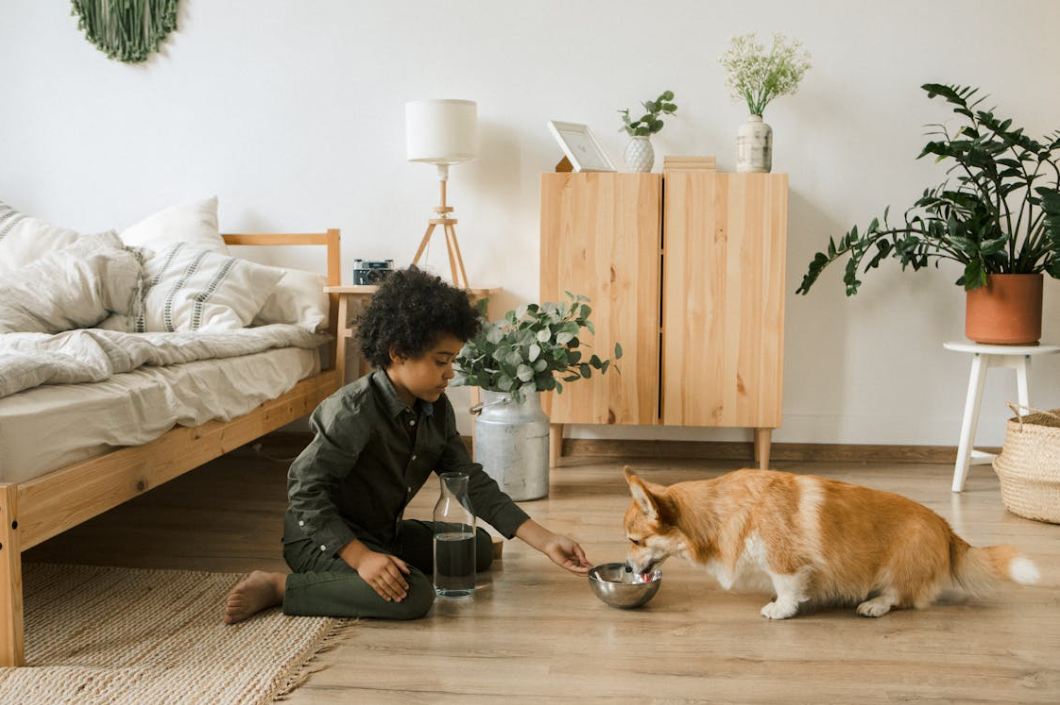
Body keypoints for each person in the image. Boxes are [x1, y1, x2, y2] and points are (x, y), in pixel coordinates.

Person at [224, 267, 591, 623]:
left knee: (475, 545)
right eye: (441, 361)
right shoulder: (353, 410)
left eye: (453, 361)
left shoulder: (435, 407)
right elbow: (304, 490)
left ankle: (383, 562)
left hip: (384, 532)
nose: (450, 373)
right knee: (413, 596)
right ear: (399, 353)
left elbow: (468, 480)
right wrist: (361, 557)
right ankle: (280, 586)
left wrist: (545, 541)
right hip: (322, 539)